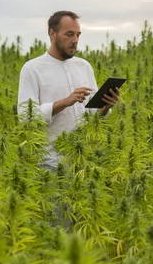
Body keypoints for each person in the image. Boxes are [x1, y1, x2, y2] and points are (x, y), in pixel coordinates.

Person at [17, 10, 120, 171]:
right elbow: (25, 116)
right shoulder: (32, 69)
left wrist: (106, 107)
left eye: (78, 35)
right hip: (50, 162)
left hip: (85, 158)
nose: (75, 40)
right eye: (69, 34)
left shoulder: (84, 66)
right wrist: (64, 102)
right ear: (53, 34)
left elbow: (92, 115)